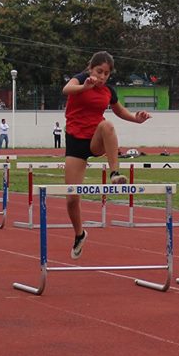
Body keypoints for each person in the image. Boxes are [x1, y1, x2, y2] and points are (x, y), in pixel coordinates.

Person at [62, 51, 151, 258]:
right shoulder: (81, 79)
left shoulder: (108, 91)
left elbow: (120, 112)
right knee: (71, 199)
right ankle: (79, 234)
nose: (102, 77)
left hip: (95, 139)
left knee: (108, 125)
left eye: (106, 74)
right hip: (75, 141)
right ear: (90, 69)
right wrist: (84, 86)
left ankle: (114, 173)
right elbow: (66, 89)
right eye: (99, 72)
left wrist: (136, 118)